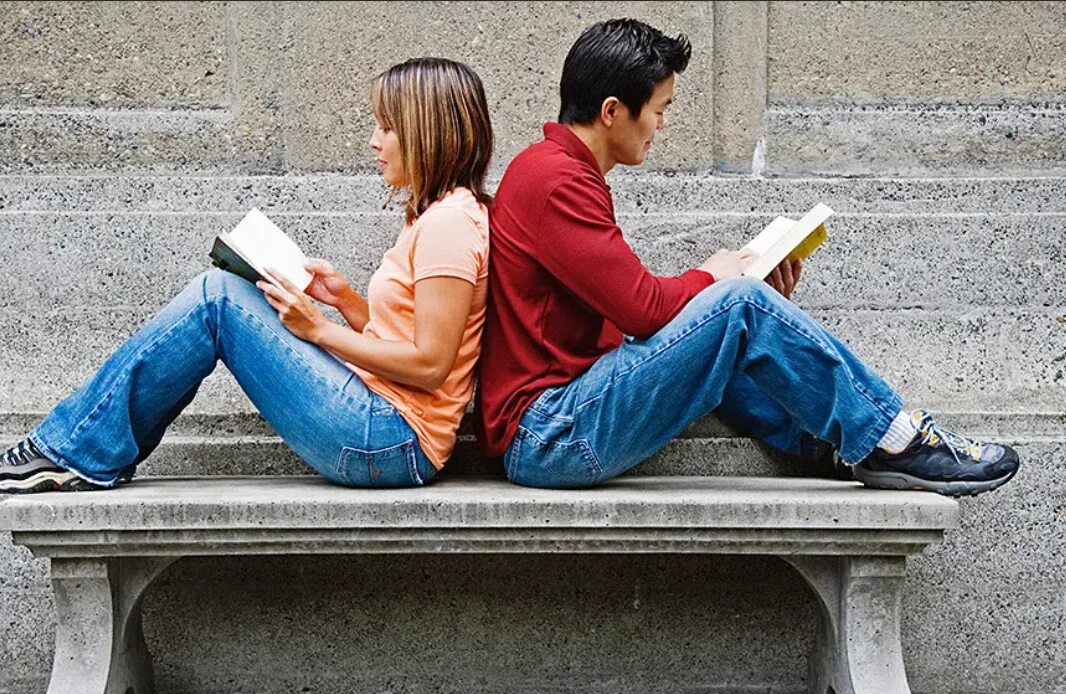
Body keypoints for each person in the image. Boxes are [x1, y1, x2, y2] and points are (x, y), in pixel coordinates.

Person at [474, 19, 1019, 497]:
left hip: (561, 422)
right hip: (549, 433)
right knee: (736, 304)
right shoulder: (554, 181)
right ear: (613, 111)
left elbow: (627, 315)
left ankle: (828, 443)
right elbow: (641, 310)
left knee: (735, 316)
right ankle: (893, 439)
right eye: (660, 110)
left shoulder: (557, 172)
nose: (662, 126)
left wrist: (739, 307)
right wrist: (717, 281)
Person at [0, 57, 493, 494]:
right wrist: (344, 301)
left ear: (427, 133)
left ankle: (73, 452)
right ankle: (90, 451)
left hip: (389, 440)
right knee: (225, 292)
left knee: (219, 298)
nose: (373, 141)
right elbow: (409, 340)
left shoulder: (451, 225)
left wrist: (319, 329)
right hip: (380, 424)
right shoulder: (438, 217)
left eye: (386, 128)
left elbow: (430, 365)